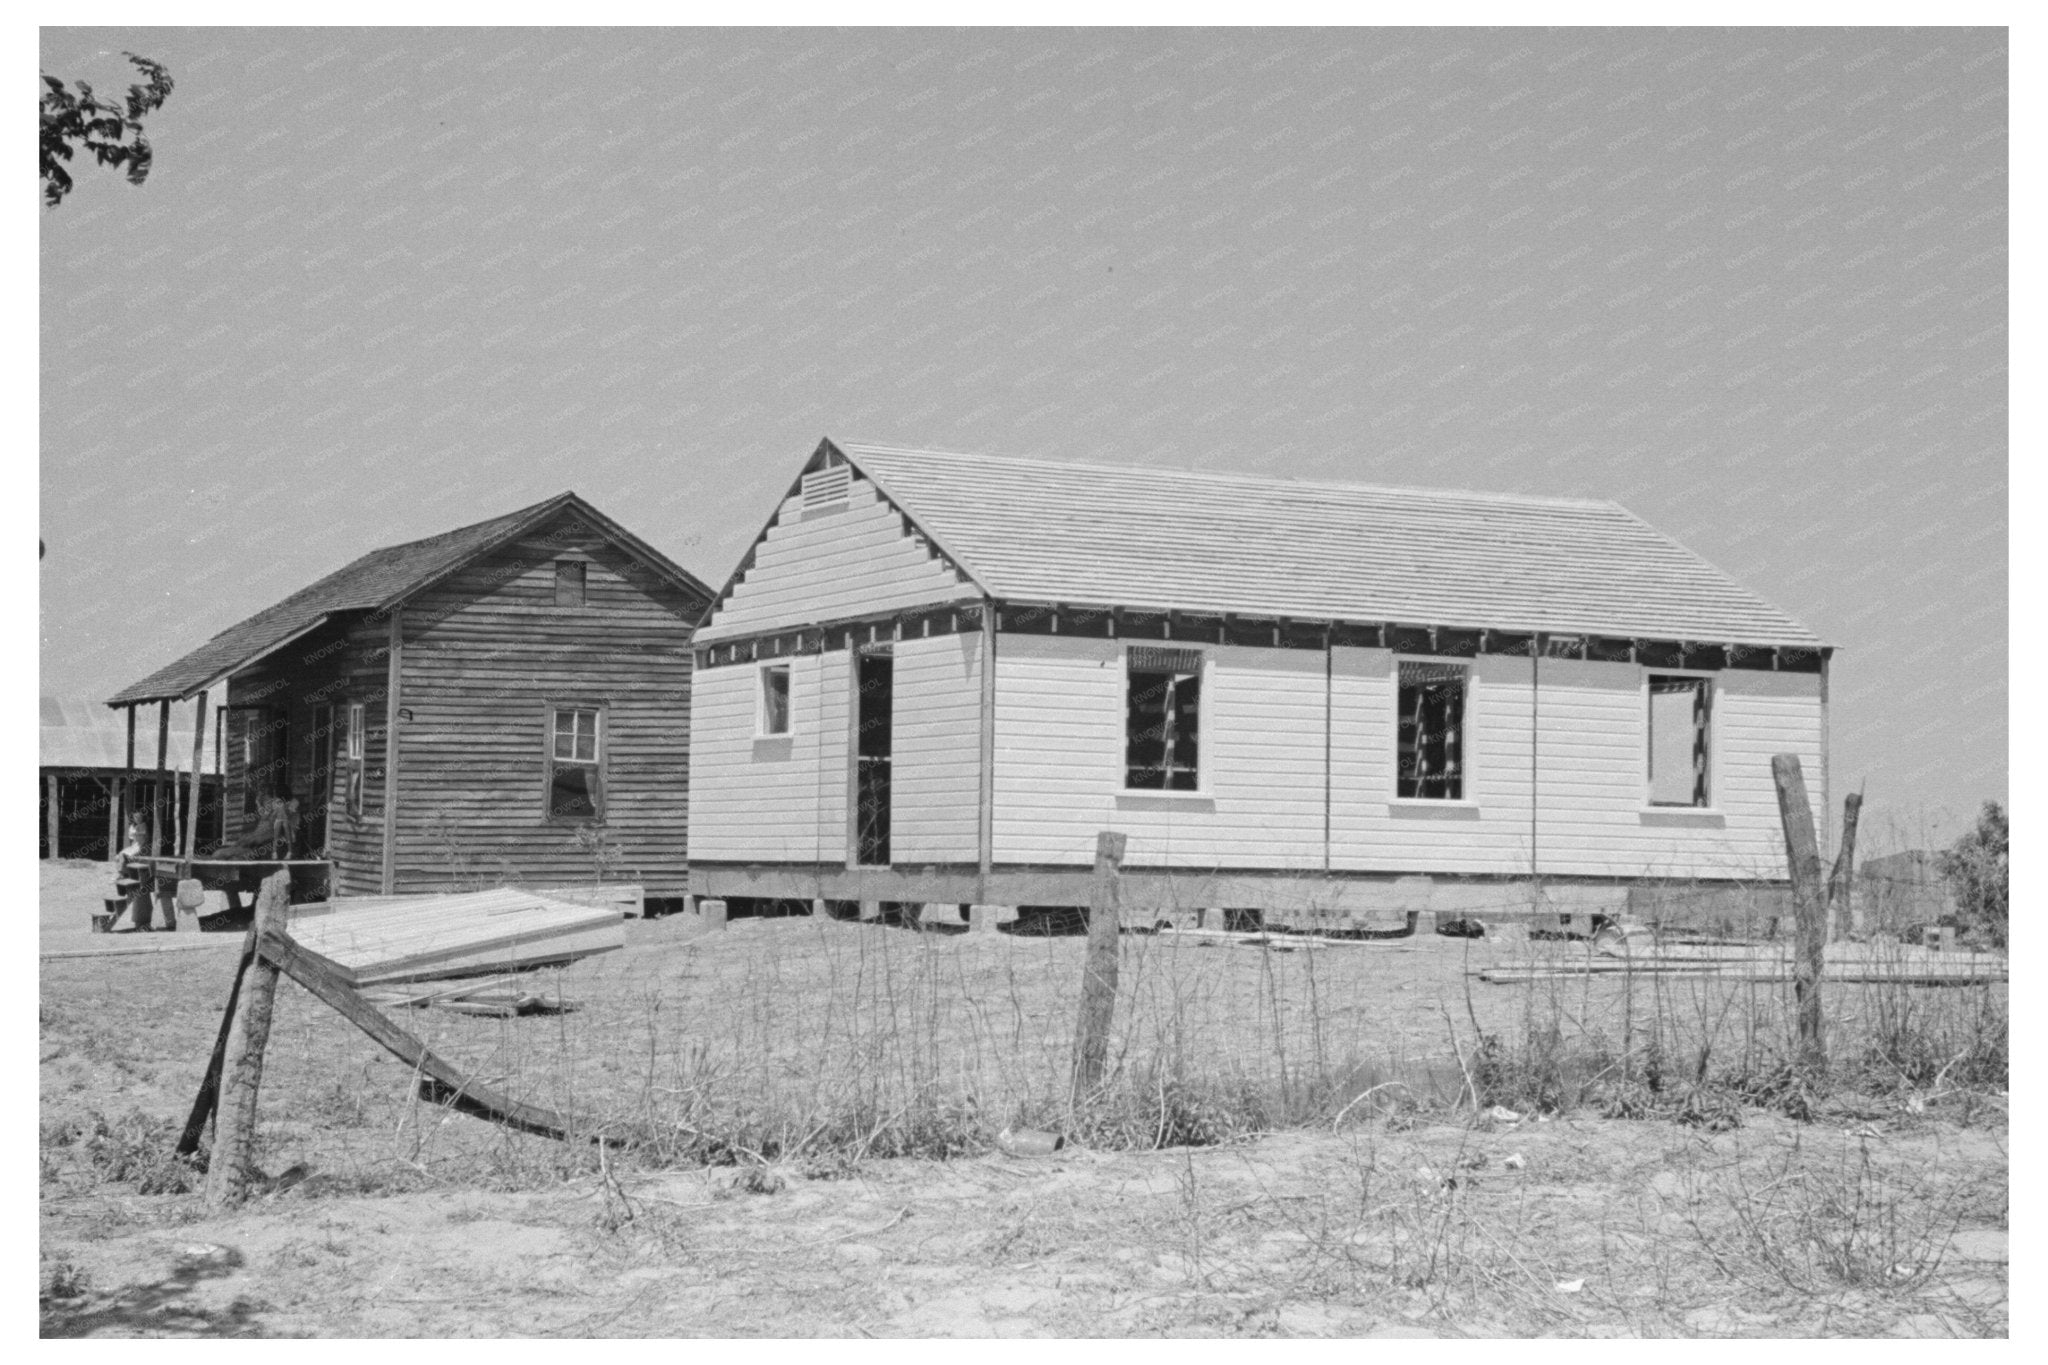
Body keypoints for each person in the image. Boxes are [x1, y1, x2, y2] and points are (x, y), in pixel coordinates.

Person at [109, 815, 152, 932]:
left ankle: (121, 872)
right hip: (134, 845)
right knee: (120, 855)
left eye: (138, 817)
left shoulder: (143, 827)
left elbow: (144, 839)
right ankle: (121, 872)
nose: (136, 818)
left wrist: (141, 849)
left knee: (126, 855)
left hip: (141, 846)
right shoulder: (133, 826)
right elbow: (132, 839)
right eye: (135, 817)